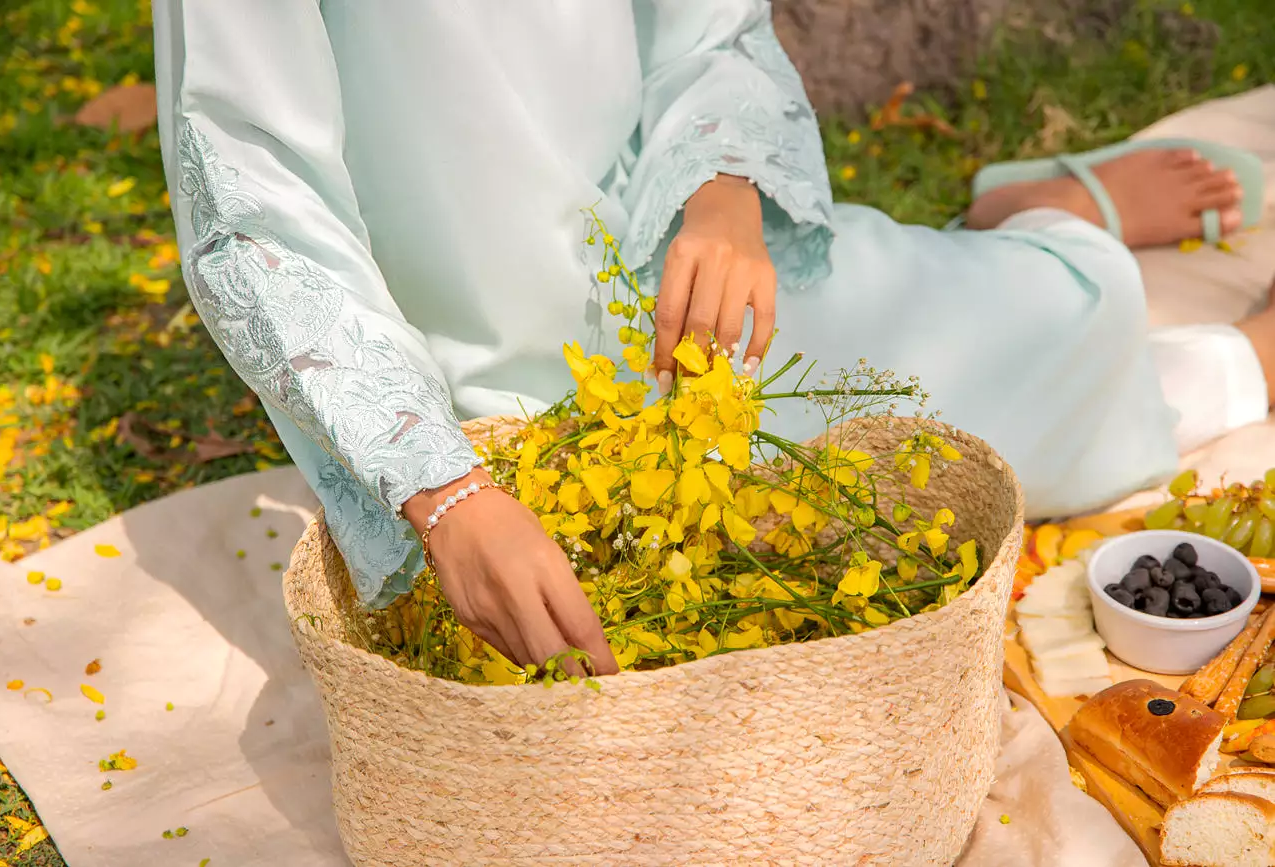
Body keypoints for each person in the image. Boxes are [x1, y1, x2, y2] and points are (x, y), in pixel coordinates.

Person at [153, 1, 1272, 676]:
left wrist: (728, 189)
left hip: (691, 268)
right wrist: (443, 490)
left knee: (1047, 353)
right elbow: (251, 199)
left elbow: (714, 30)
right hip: (464, 396)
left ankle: (1057, 229)